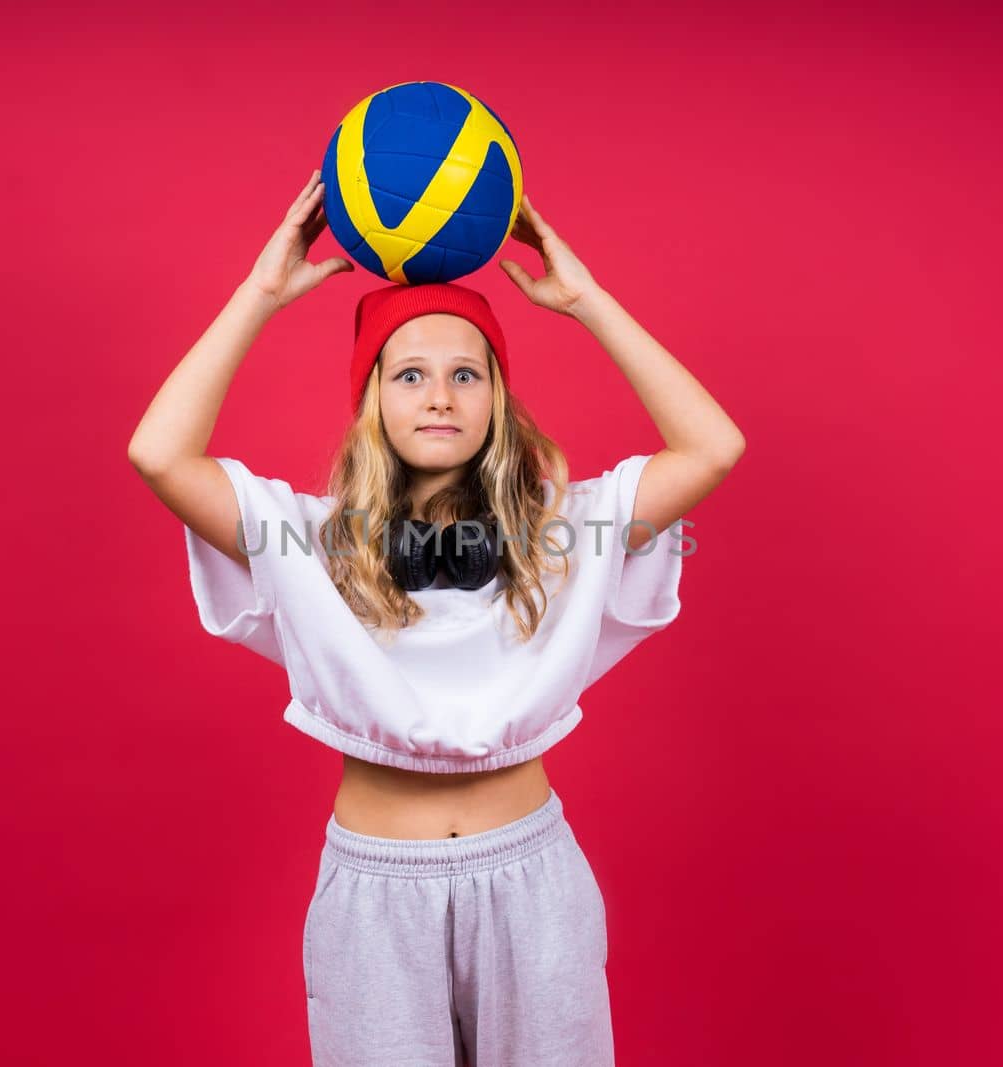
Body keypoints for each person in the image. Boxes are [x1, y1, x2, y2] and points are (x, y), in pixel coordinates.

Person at [128, 168, 746, 1066]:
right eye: (409, 373)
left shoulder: (569, 533)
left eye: (467, 373)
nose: (440, 395)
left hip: (532, 884)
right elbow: (158, 452)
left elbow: (713, 445)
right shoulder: (308, 544)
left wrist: (586, 299)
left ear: (499, 397)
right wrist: (261, 294)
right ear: (372, 397)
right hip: (375, 896)